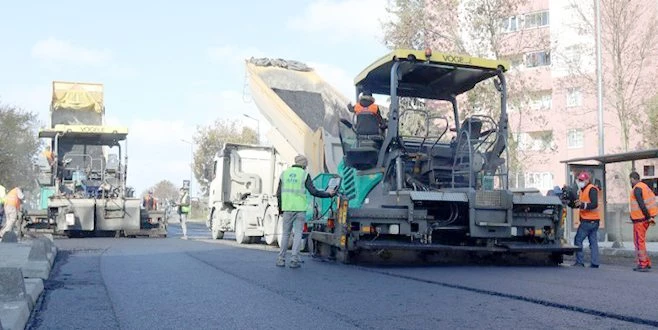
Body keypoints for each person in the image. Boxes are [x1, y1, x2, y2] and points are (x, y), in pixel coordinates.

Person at [275, 155, 336, 268]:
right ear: (304, 165)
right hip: (300, 210)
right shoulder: (304, 175)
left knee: (286, 234)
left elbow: (278, 194)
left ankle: (281, 259)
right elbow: (313, 192)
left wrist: (280, 209)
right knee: (298, 234)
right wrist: (328, 194)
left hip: (287, 208)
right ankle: (294, 260)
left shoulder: (284, 174)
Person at [570, 171, 601, 268]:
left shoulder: (591, 189)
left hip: (588, 220)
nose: (580, 182)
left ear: (587, 180)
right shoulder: (584, 190)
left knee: (578, 239)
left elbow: (594, 204)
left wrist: (582, 205)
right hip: (593, 220)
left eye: (582, 180)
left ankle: (580, 262)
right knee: (593, 242)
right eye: (579, 180)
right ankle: (595, 263)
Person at [628, 171, 657, 272]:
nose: (630, 182)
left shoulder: (637, 189)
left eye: (630, 180)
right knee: (641, 241)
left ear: (632, 179)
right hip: (645, 219)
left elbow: (641, 205)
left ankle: (643, 264)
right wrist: (649, 217)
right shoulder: (644, 186)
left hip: (640, 220)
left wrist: (648, 217)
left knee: (639, 242)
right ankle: (646, 262)